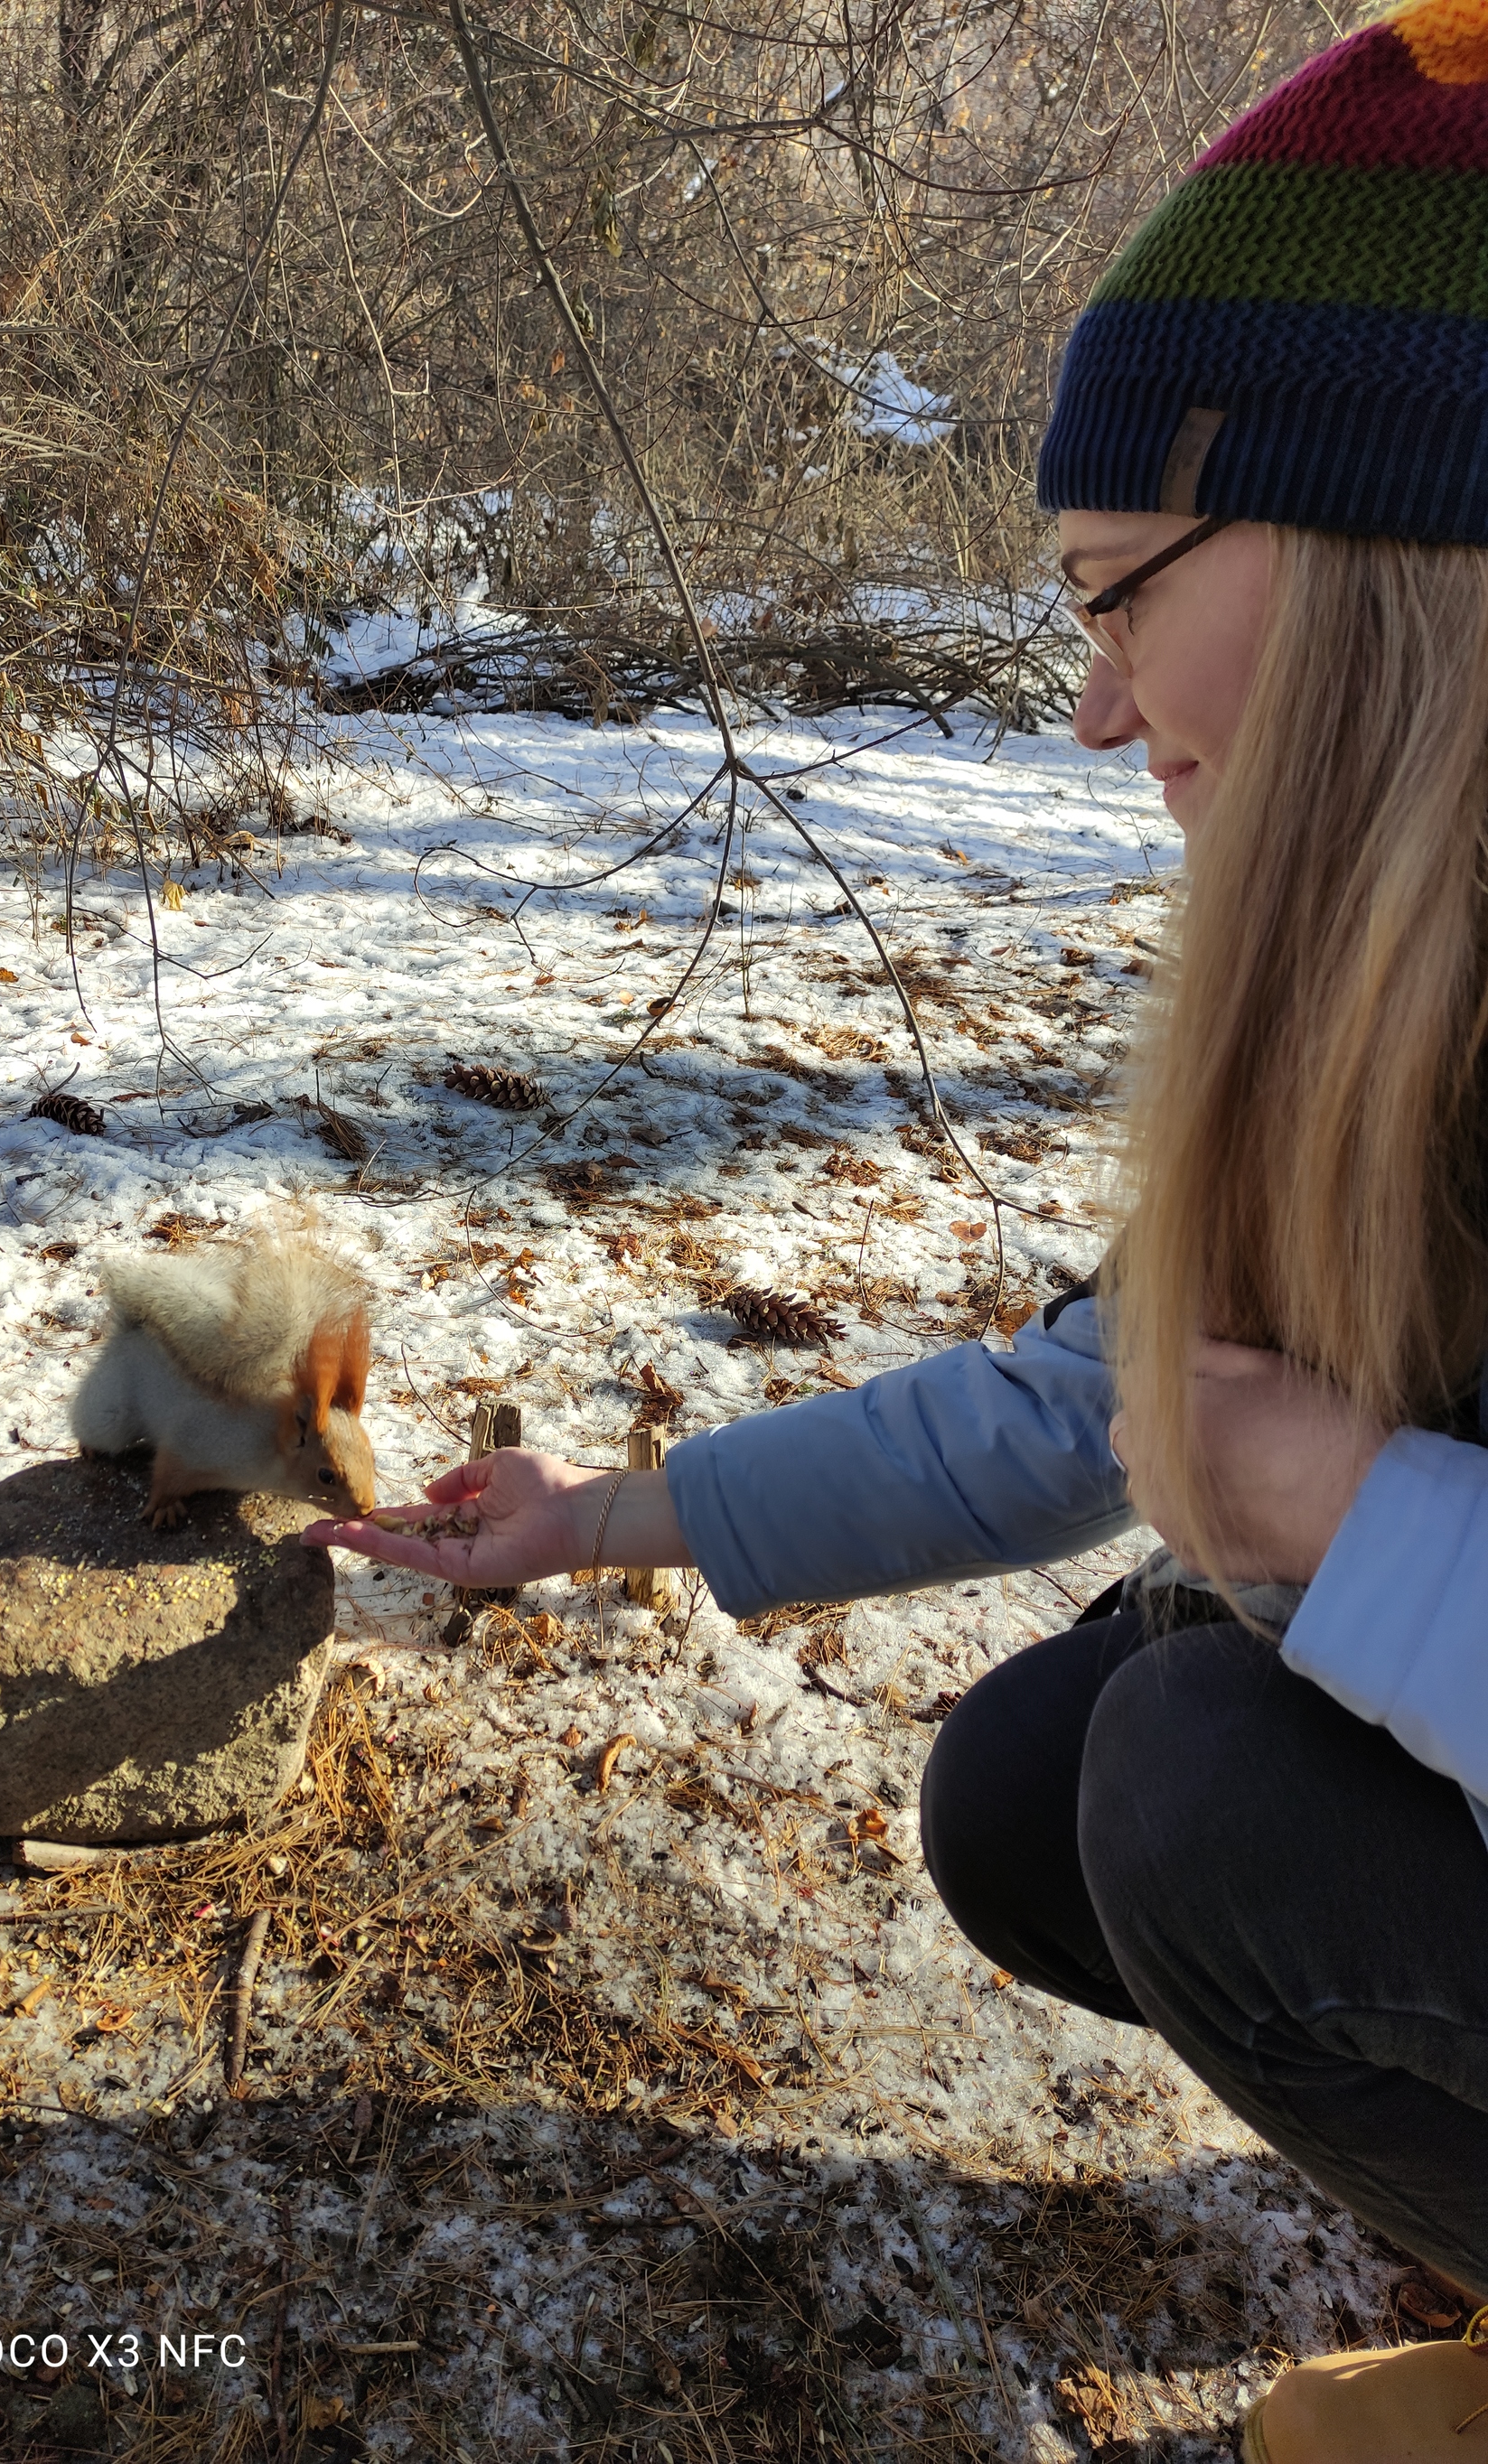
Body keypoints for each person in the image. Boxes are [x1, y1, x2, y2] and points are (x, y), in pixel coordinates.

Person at [306, 2, 1488, 2450]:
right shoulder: (1387, 998)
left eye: (1113, 591)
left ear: (1394, 540)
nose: (1086, 705)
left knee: (1204, 1795)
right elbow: (1077, 1404)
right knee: (1051, 1786)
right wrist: (597, 1519)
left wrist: (1352, 1525)